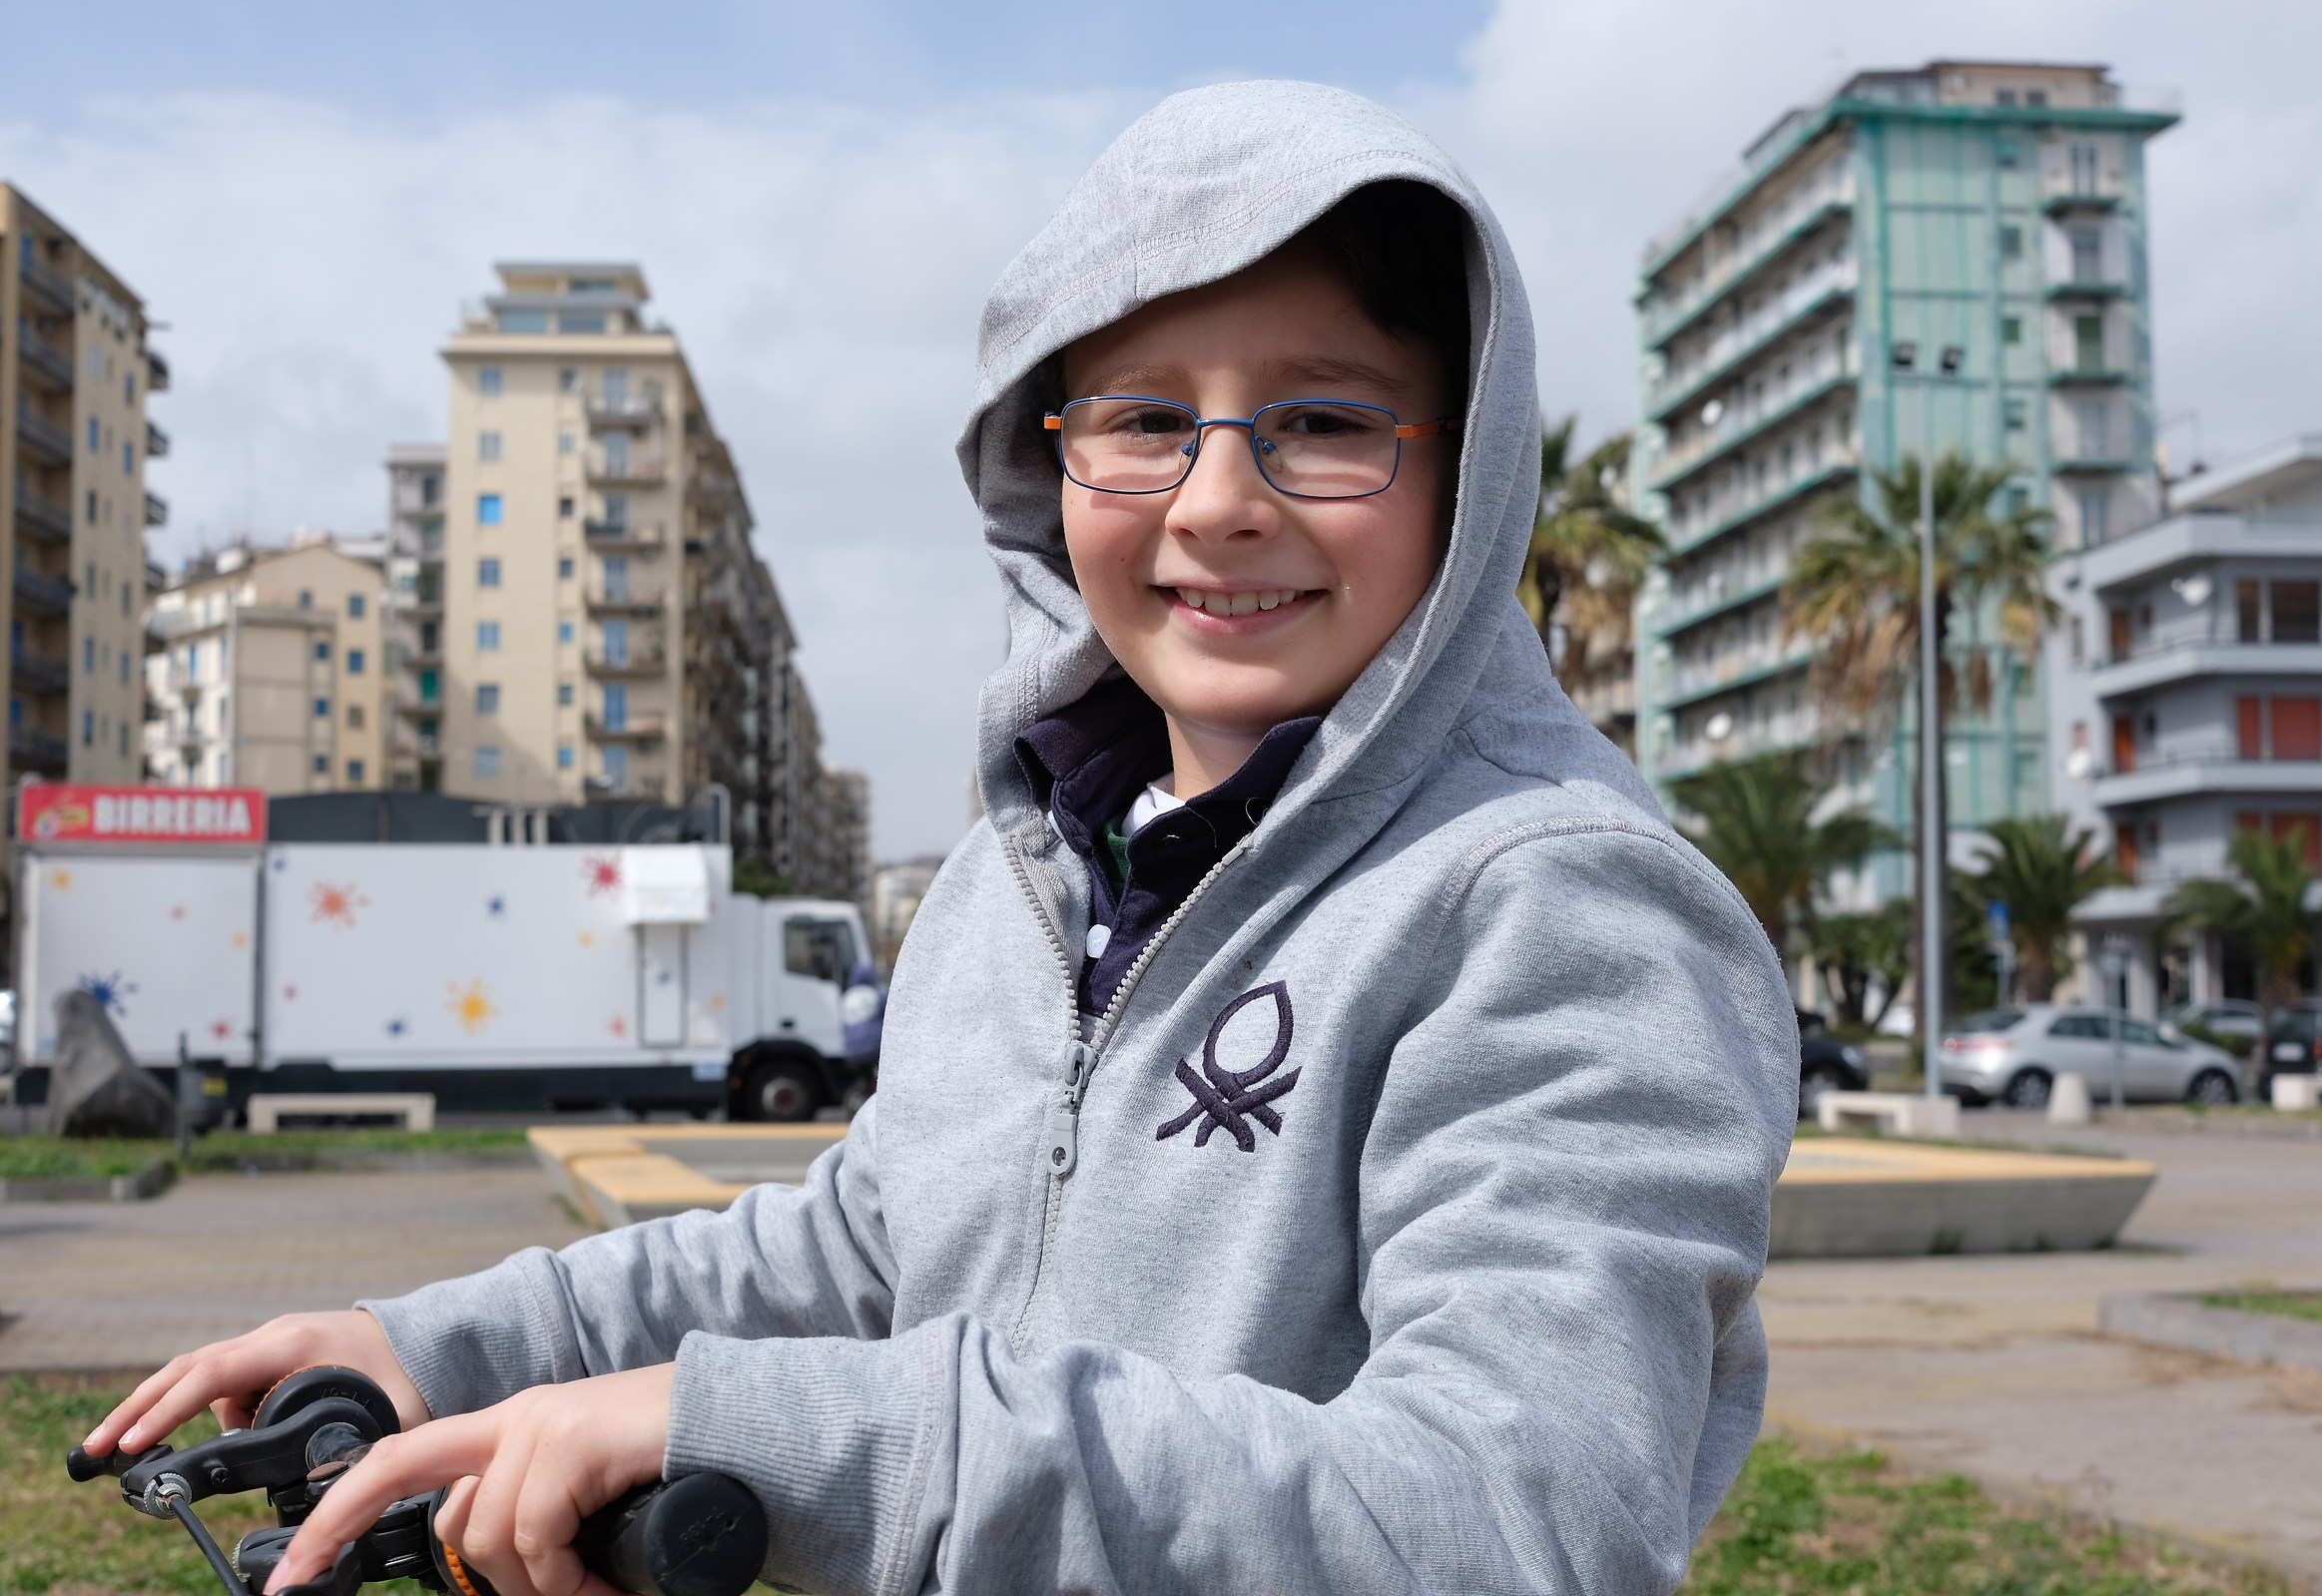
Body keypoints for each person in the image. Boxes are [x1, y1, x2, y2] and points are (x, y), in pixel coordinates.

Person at [83, 80, 1794, 1595]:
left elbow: (1511, 1522)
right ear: (1042, 464)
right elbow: (866, 1243)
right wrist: (435, 1345)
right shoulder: (1030, 861)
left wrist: (811, 1439)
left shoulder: (1567, 905)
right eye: (1141, 418)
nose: (1218, 498)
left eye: (1326, 421)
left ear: (1468, 467)